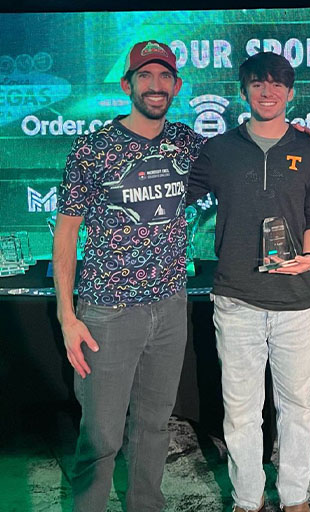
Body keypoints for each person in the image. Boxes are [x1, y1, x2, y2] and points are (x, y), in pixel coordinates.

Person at [53, 40, 205, 511]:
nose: (155, 86)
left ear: (176, 86)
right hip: (107, 313)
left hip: (170, 306)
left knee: (154, 426)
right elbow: (66, 235)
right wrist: (67, 316)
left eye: (164, 77)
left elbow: (244, 157)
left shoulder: (188, 143)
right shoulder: (93, 148)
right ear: (128, 85)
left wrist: (296, 135)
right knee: (100, 434)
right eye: (145, 76)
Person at [186, 52, 310, 512]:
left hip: (295, 301)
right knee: (242, 411)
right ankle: (248, 500)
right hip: (236, 299)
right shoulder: (219, 149)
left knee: (297, 408)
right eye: (257, 84)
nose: (267, 92)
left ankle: (294, 498)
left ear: (290, 92)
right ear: (243, 91)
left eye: (276, 84)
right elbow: (177, 195)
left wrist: (309, 256)